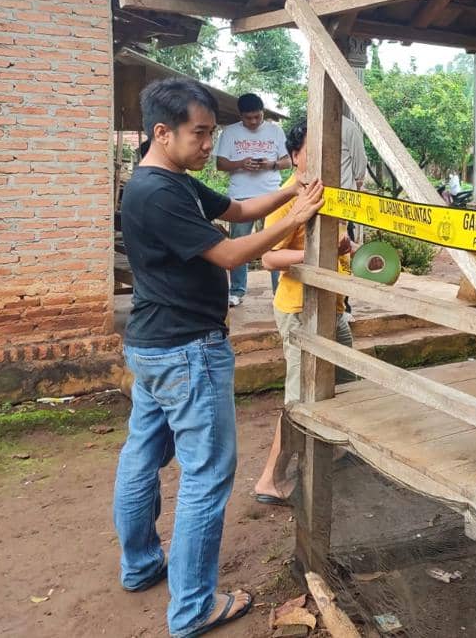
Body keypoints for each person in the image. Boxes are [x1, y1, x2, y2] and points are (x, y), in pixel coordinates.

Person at [114, 78, 324, 638]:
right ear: (164, 132)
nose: (212, 145)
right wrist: (296, 218)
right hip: (187, 350)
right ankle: (192, 610)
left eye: (211, 132)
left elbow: (236, 208)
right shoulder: (157, 193)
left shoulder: (172, 181)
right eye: (201, 133)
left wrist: (290, 190)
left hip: (154, 343)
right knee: (206, 477)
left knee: (142, 455)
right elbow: (230, 251)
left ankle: (140, 567)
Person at [252, 119, 356, 505]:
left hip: (333, 307)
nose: (326, 160)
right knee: (298, 398)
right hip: (299, 310)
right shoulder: (287, 199)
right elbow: (268, 257)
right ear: (295, 156)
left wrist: (348, 249)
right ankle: (270, 479)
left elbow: (338, 245)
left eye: (333, 152)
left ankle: (337, 454)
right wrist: (321, 255)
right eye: (315, 152)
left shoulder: (330, 195)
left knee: (346, 385)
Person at [214, 93, 290, 306]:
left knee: (275, 243)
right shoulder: (230, 132)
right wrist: (241, 163)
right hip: (241, 197)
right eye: (249, 118)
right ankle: (237, 291)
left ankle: (280, 291)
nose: (254, 122)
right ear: (241, 116)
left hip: (271, 195)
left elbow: (288, 161)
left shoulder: (275, 131)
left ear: (262, 113)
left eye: (257, 117)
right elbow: (220, 164)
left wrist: (271, 164)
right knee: (239, 245)